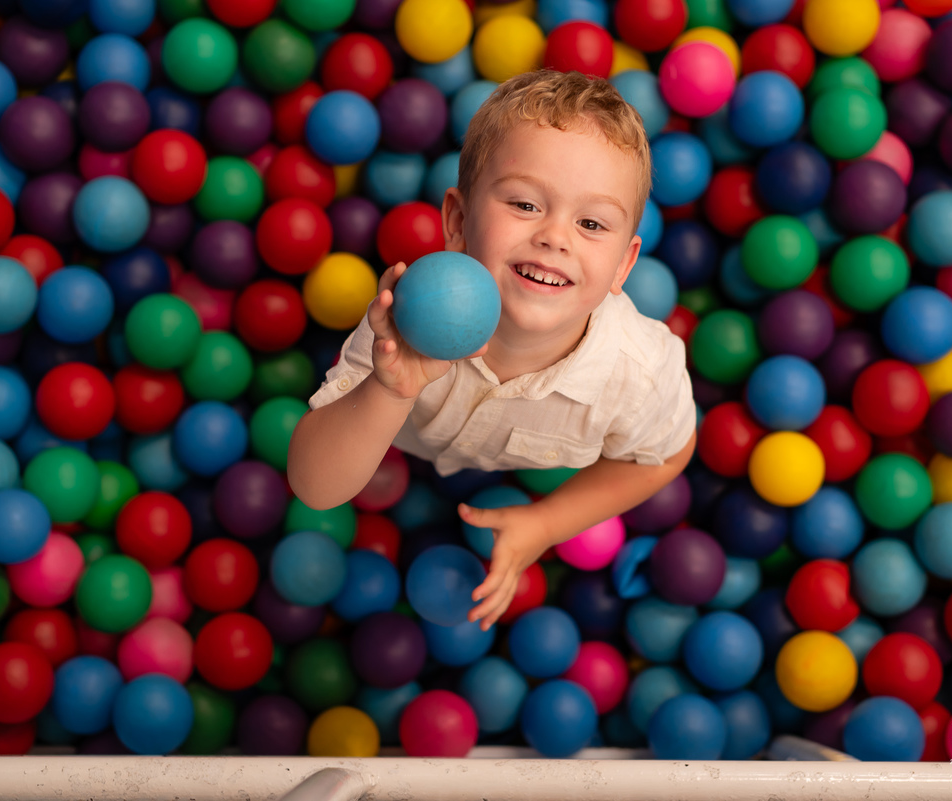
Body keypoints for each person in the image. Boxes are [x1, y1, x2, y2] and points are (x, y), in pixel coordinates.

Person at [288, 69, 696, 629]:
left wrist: (547, 523)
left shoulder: (638, 374)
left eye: (592, 222)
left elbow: (669, 453)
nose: (556, 236)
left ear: (624, 265)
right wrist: (390, 387)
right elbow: (314, 487)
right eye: (526, 205)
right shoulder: (404, 325)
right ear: (457, 221)